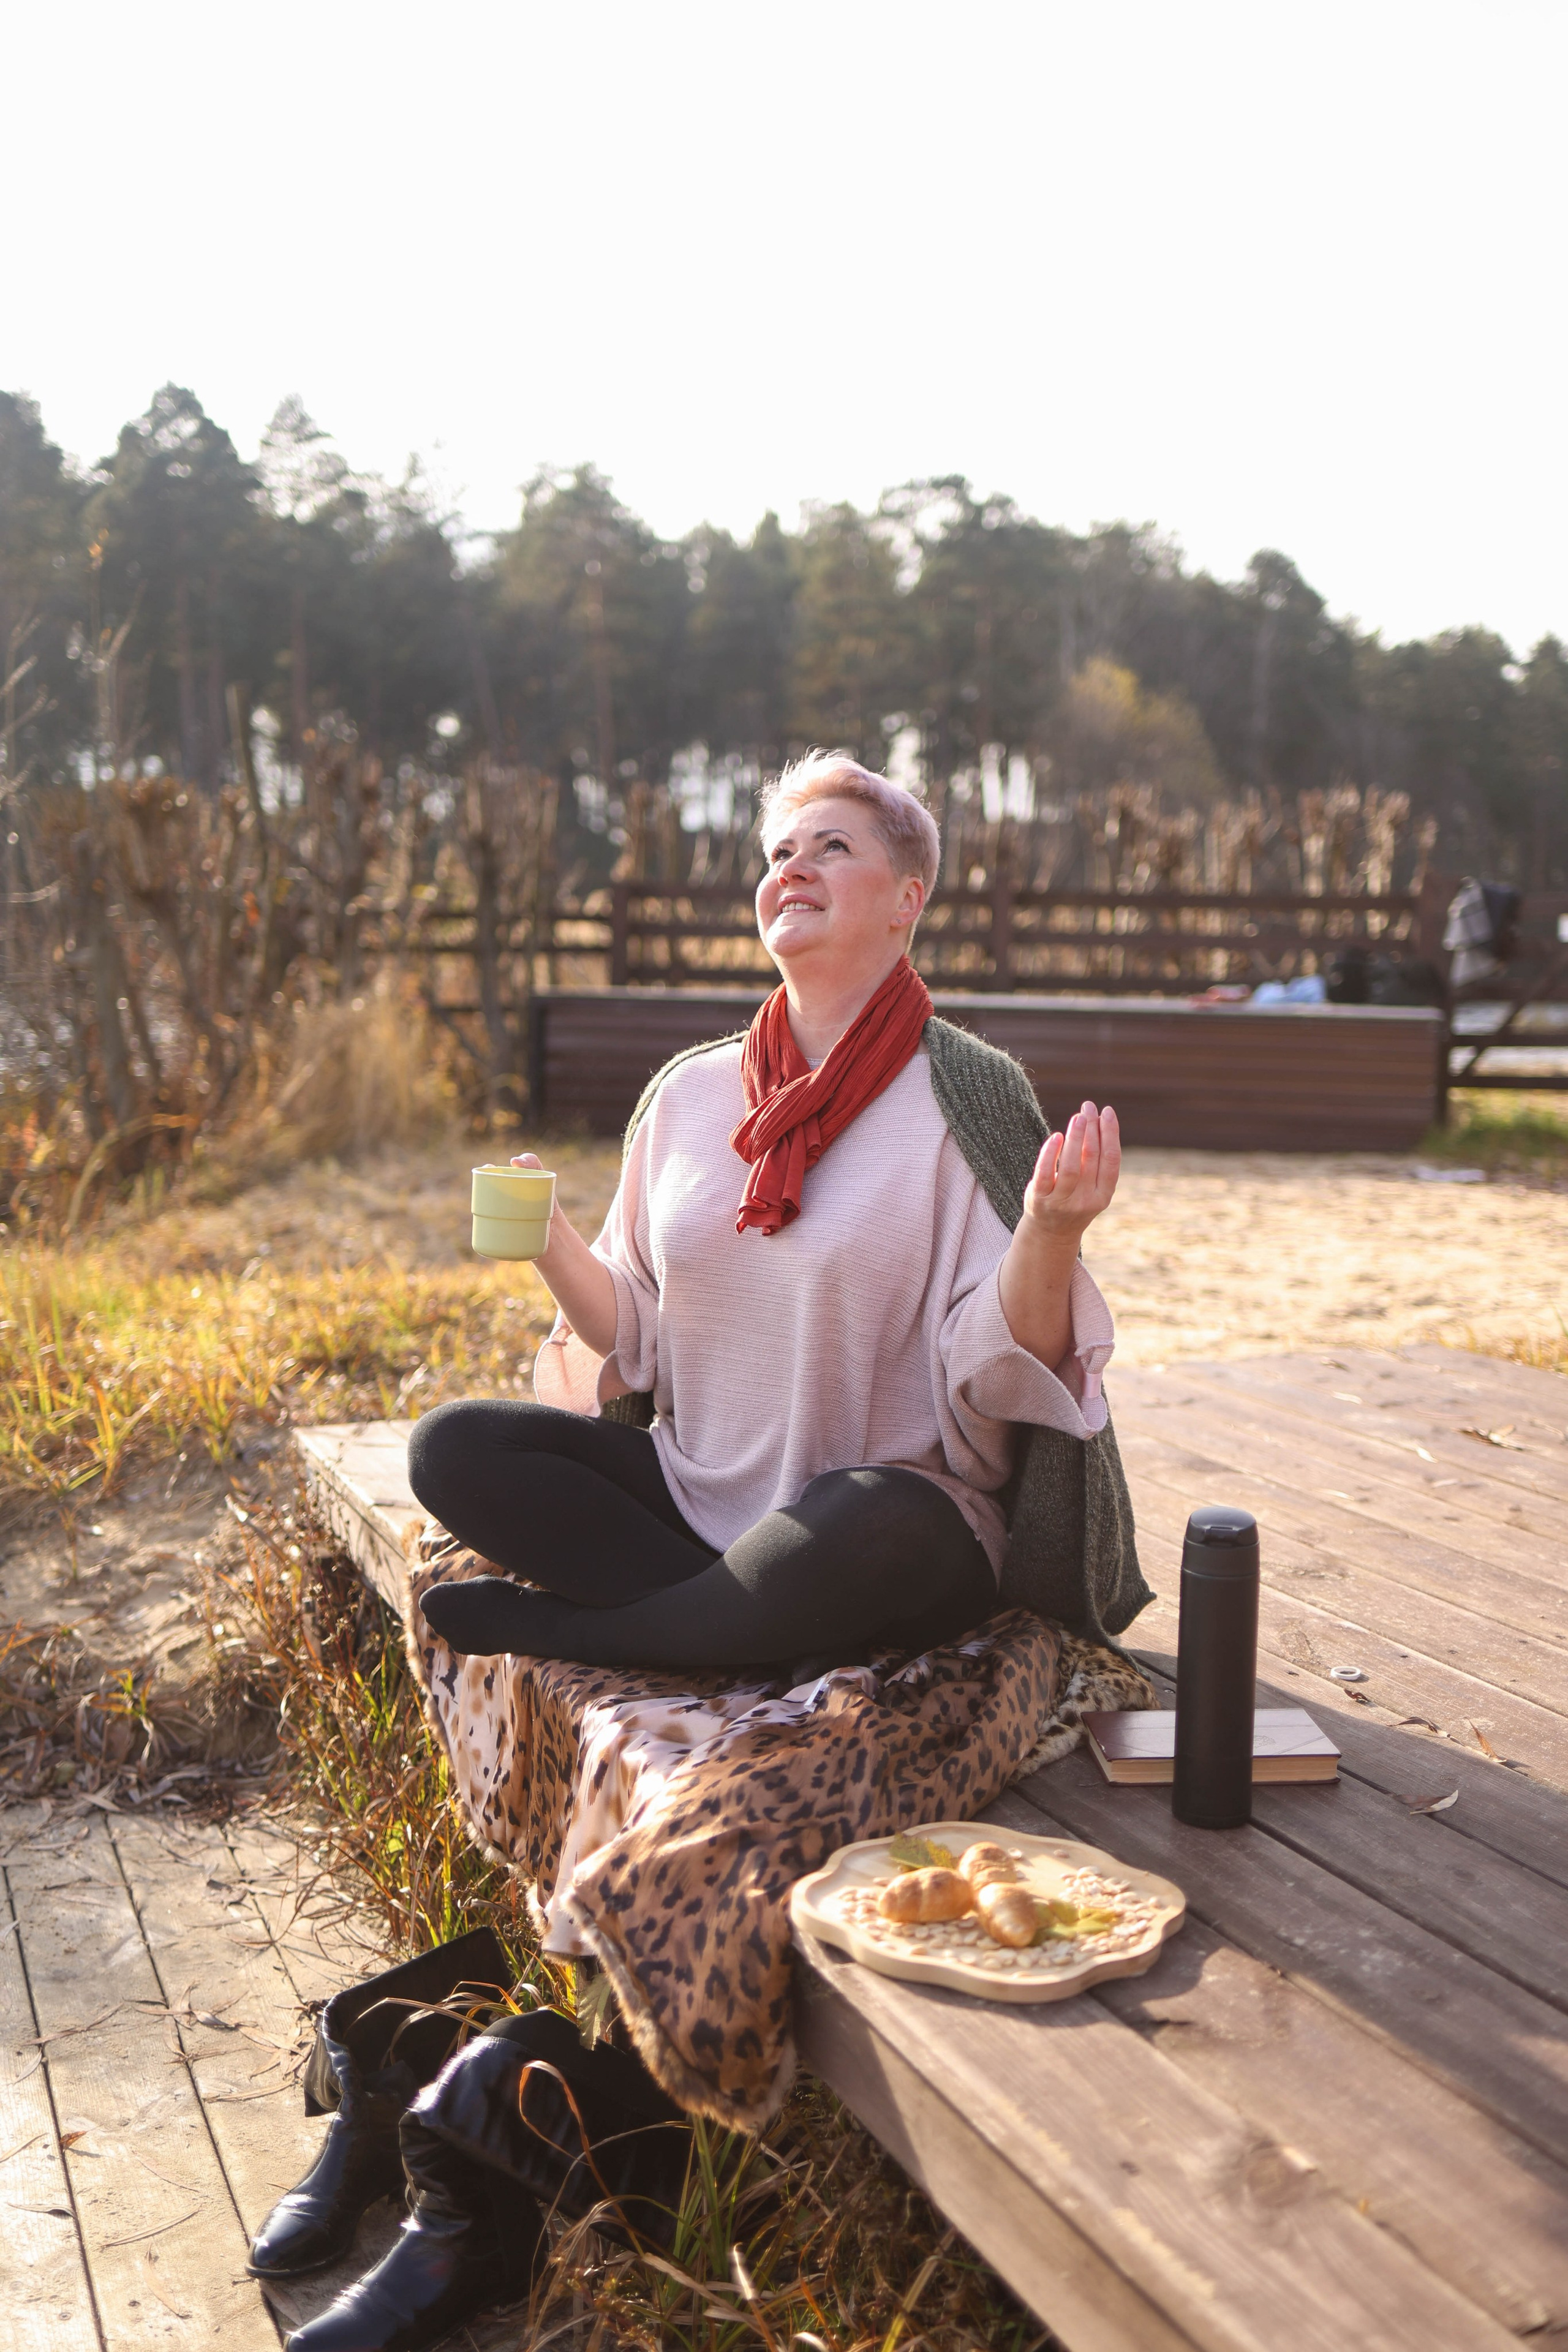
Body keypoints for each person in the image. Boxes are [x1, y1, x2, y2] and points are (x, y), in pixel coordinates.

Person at [412, 750, 1124, 1677]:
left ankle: (587, 1630)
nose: (793, 868)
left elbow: (998, 1366)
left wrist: (1051, 1233)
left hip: (882, 1512)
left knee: (872, 1522)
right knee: (456, 1446)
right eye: (781, 851)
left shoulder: (969, 1096)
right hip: (695, 1489)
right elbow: (637, 1336)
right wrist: (552, 1243)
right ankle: (738, 1620)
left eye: (832, 847)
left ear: (908, 899)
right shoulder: (690, 1095)